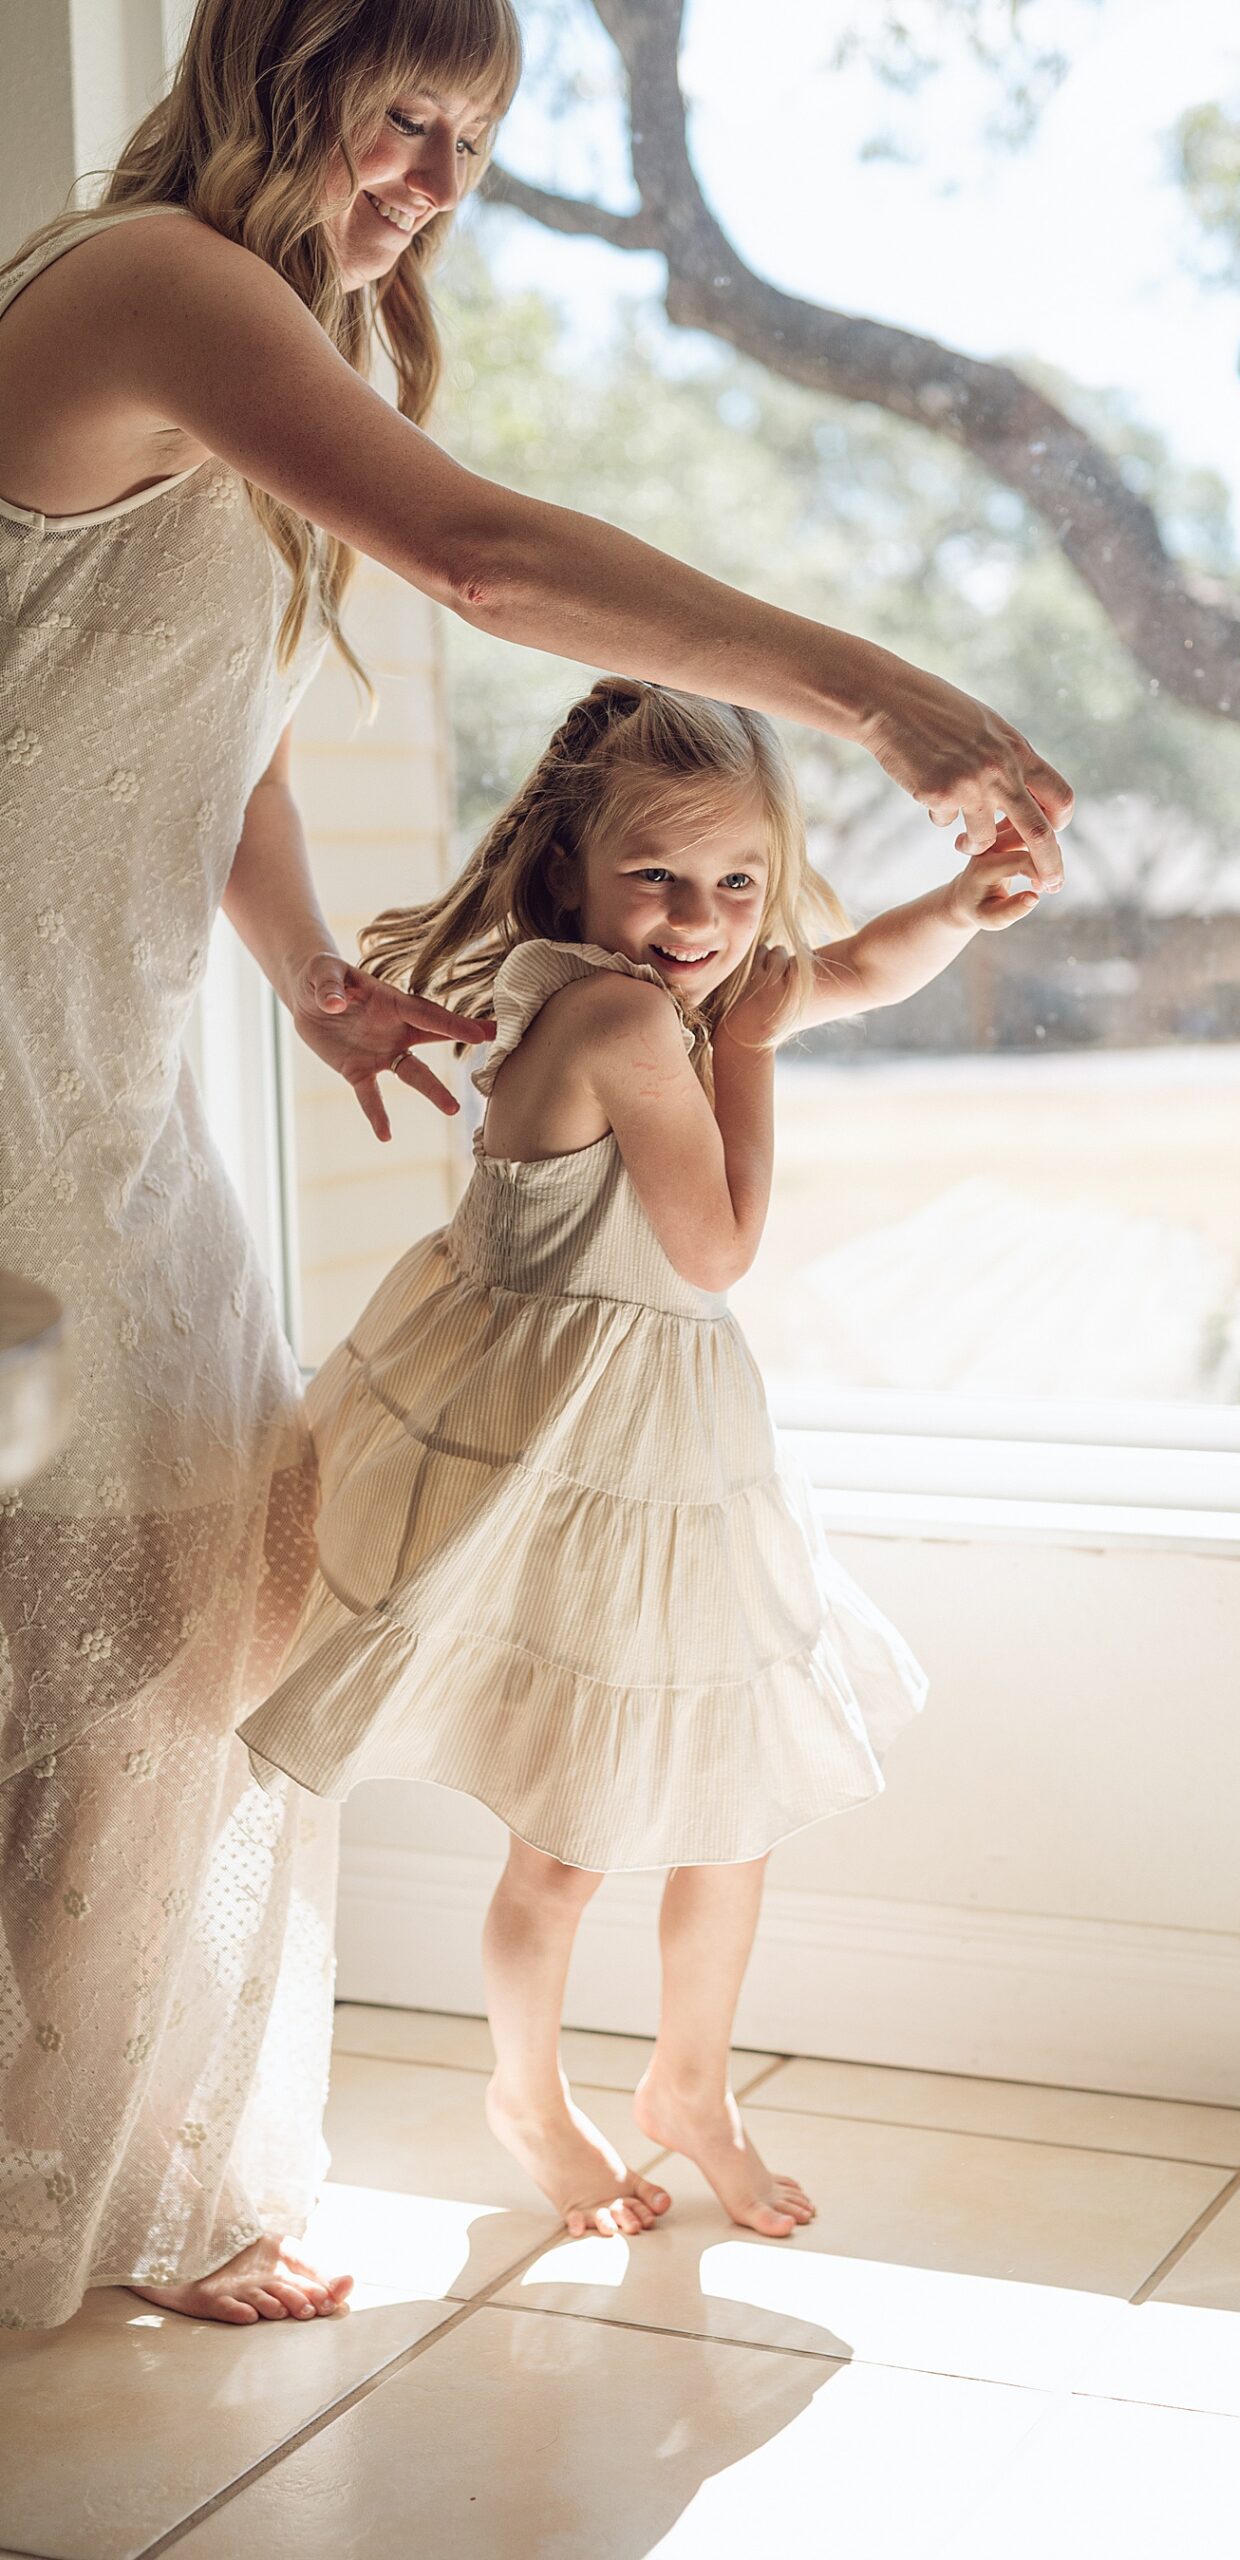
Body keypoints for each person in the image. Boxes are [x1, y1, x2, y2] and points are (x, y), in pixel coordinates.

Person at [0, 0, 1069, 2329]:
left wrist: (299, 976)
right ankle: (57, 2194)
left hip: (104, 1081)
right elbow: (481, 562)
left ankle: (108, 2172)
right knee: (107, 1649)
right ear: (281, 71)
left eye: (479, 139)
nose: (444, 182)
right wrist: (869, 694)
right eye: (414, 116)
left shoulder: (276, 339)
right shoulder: (147, 285)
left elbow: (210, 722)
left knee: (173, 1640)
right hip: (14, 1107)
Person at [238, 678, 1042, 2238]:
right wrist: (745, 1039)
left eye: (738, 884)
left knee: (725, 1803)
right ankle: (528, 2098)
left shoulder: (670, 990)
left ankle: (690, 2085)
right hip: (569, 1469)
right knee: (573, 1836)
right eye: (658, 880)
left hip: (669, 1462)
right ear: (572, 875)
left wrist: (960, 901)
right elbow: (720, 1245)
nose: (701, 919)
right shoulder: (616, 1017)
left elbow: (859, 968)